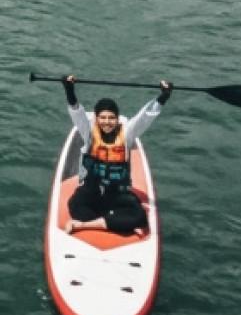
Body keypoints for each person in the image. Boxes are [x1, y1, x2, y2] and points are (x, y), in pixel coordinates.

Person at [62, 74, 172, 236]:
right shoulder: (89, 133)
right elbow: (77, 112)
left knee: (139, 217)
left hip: (116, 193)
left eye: (111, 118)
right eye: (103, 118)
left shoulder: (126, 134)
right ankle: (108, 221)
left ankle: (84, 225)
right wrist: (69, 89)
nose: (107, 122)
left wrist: (163, 96)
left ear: (117, 119)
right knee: (75, 205)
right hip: (91, 191)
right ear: (97, 119)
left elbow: (145, 118)